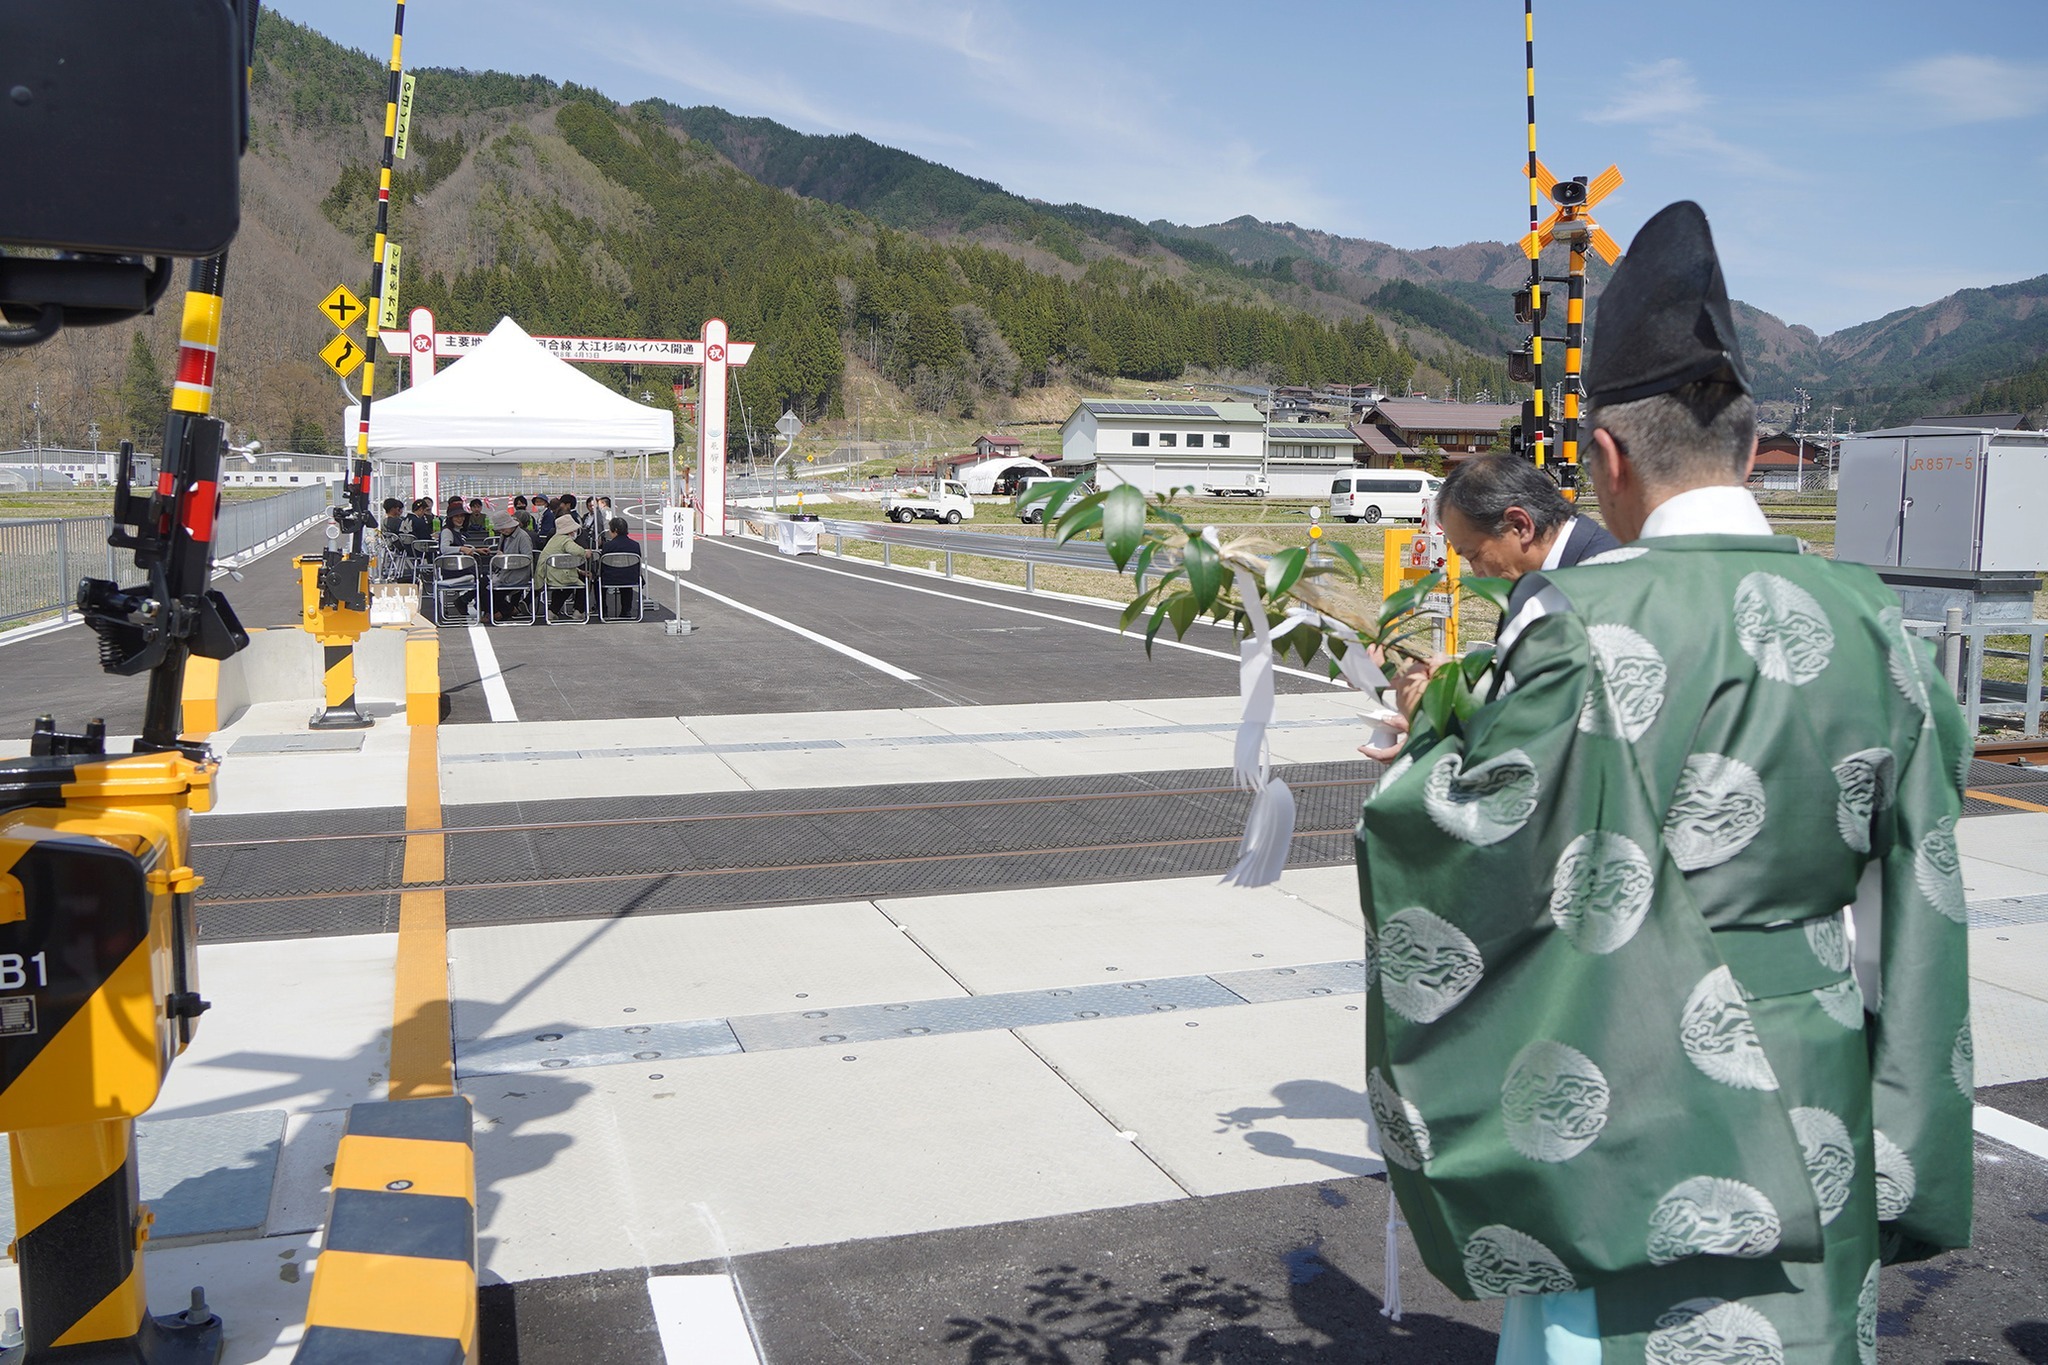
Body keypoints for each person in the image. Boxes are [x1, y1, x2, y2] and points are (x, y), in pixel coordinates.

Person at [1355, 202, 1972, 1363]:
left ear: (1602, 458)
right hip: (1815, 1063)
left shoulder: (1583, 623)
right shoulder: (1873, 619)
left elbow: (1480, 844)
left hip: (1630, 1066)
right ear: (1749, 448)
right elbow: (1924, 892)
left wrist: (1431, 738)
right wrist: (1899, 1134)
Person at [1435, 454, 1622, 620]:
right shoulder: (1529, 585)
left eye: (1474, 556)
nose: (1478, 575)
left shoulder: (1611, 583)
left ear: (1519, 526)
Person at [538, 516, 592, 620]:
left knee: (568, 584)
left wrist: (579, 571)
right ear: (571, 530)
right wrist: (585, 552)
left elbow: (561, 562)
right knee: (581, 581)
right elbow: (577, 551)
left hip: (547, 573)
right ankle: (579, 610)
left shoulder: (554, 539)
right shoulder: (566, 540)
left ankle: (553, 610)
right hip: (557, 575)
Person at [490, 511, 537, 621]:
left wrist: (505, 558)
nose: (502, 531)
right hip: (504, 573)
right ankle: (506, 611)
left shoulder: (523, 537)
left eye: (504, 528)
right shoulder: (504, 535)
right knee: (483, 586)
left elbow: (528, 558)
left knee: (487, 590)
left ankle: (500, 612)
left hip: (517, 575)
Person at [435, 510, 481, 620]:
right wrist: (462, 548)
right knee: (484, 580)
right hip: (452, 569)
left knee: (484, 578)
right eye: (456, 516)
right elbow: (444, 549)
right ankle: (467, 602)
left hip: (458, 567)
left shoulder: (456, 531)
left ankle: (466, 601)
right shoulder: (447, 531)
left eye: (462, 516)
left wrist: (476, 550)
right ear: (450, 518)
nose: (460, 519)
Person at [596, 516, 641, 618]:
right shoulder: (635, 545)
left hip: (610, 578)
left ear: (615, 530)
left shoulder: (608, 546)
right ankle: (626, 611)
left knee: (597, 582)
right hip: (631, 578)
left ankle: (603, 610)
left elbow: (602, 564)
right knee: (626, 580)